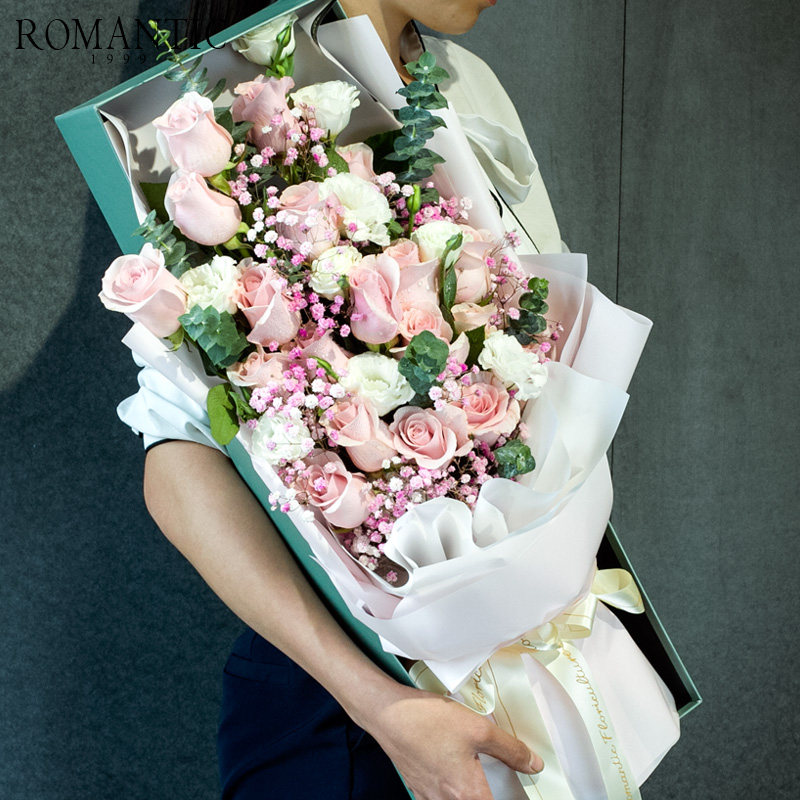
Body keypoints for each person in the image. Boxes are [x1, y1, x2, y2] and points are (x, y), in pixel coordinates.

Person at [125, 1, 565, 797]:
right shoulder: (233, 104)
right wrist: (380, 705)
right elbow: (178, 454)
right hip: (349, 714)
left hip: (525, 666)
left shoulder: (468, 80)